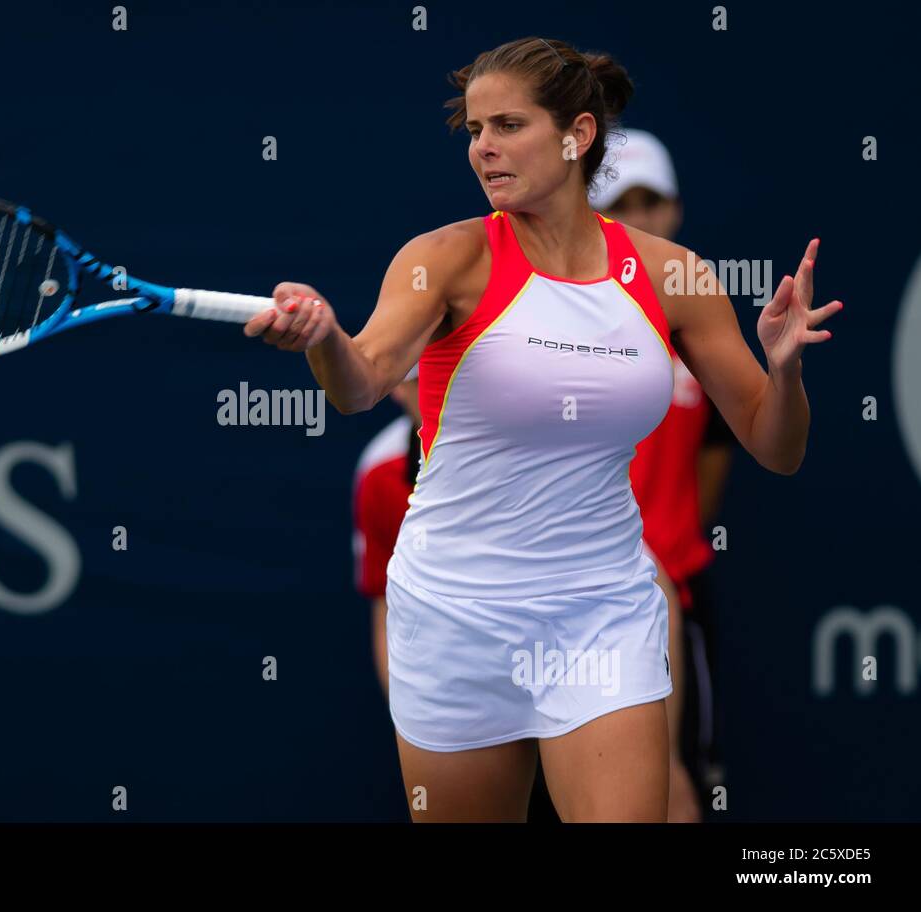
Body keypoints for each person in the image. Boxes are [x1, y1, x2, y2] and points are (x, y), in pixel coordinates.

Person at [246, 36, 840, 822]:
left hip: (601, 607)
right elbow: (363, 384)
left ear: (578, 135)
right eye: (474, 130)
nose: (483, 148)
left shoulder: (676, 275)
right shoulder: (443, 258)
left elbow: (778, 446)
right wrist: (324, 339)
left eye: (507, 126)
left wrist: (785, 369)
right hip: (455, 613)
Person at [590, 128, 736, 822]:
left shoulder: (700, 324)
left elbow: (716, 455)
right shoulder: (555, 323)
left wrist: (662, 556)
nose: (643, 220)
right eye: (625, 204)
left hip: (670, 589)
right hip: (565, 596)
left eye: (656, 203)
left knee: (674, 791)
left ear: (675, 210)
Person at [352, 366, 421, 698]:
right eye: (423, 379)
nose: (445, 390)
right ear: (397, 387)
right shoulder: (381, 471)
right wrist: (403, 709)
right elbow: (388, 606)